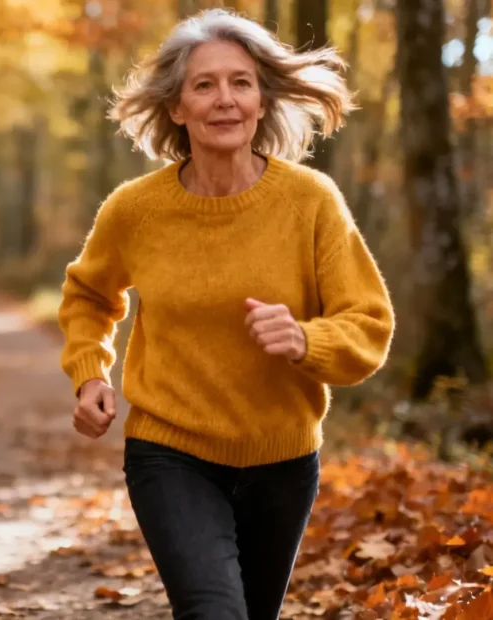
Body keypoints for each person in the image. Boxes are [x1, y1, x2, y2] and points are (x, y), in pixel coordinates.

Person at [56, 8, 395, 620]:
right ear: (177, 107)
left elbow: (367, 322)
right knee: (215, 612)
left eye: (241, 82)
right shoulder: (135, 210)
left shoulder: (310, 202)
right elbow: (89, 295)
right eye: (204, 85)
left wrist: (305, 341)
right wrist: (89, 373)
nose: (225, 100)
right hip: (170, 450)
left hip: (283, 458)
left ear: (262, 100)